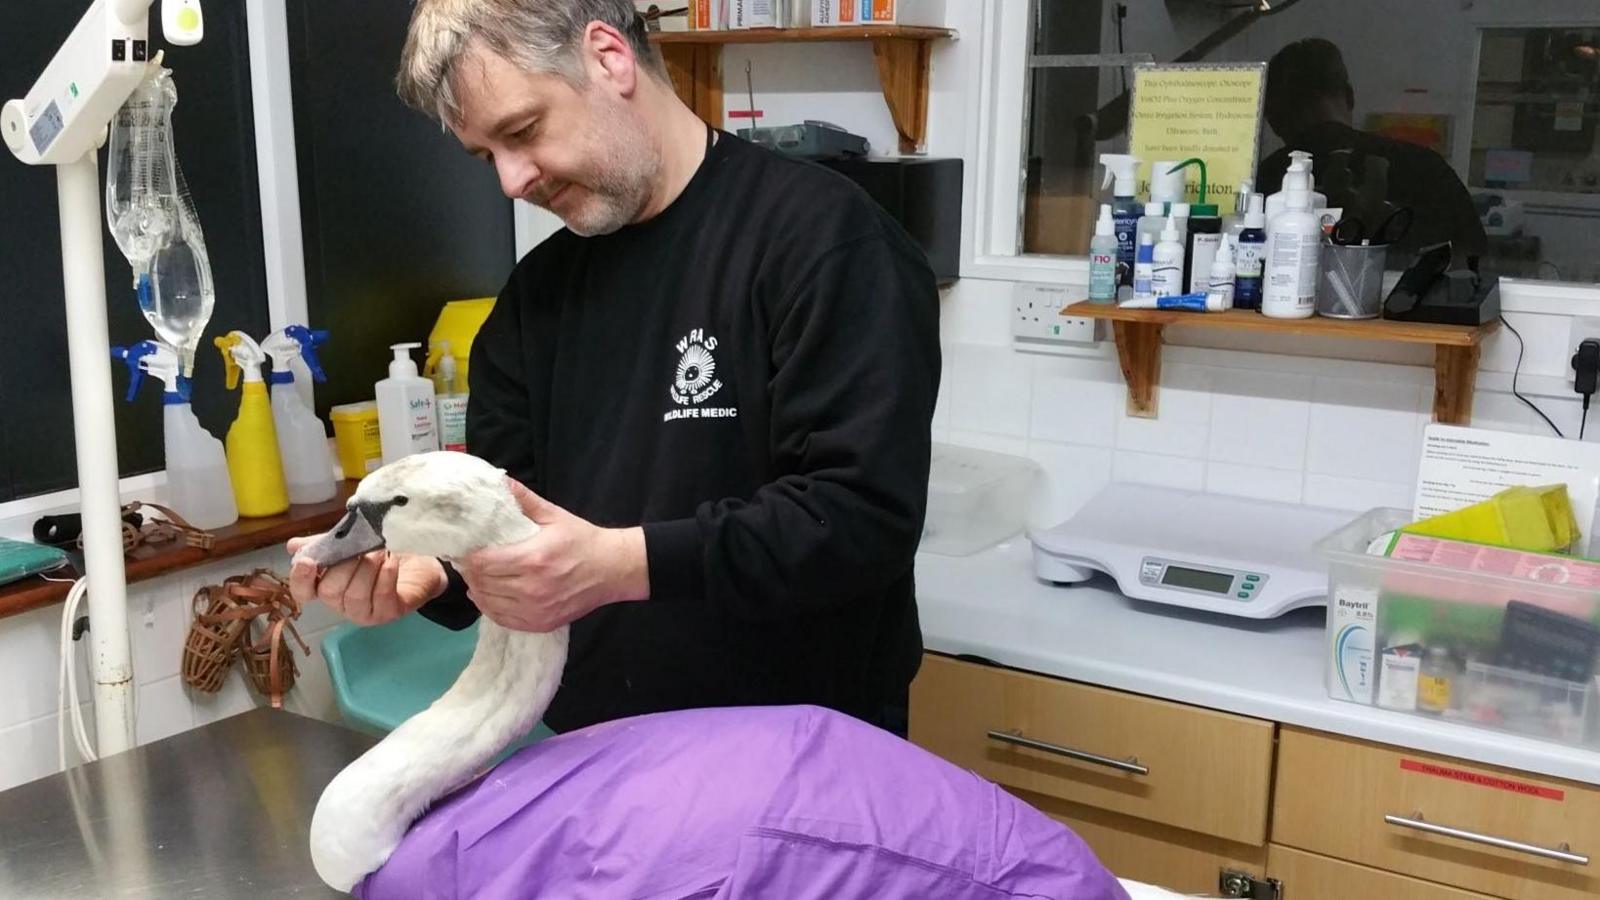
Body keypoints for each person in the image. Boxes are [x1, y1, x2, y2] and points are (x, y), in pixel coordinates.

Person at [286, 0, 940, 738]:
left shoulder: (824, 243)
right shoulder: (539, 296)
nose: (510, 180)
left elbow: (856, 521)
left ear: (608, 57)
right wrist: (437, 569)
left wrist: (620, 563)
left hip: (800, 755)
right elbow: (503, 509)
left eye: (522, 131)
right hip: (598, 753)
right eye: (485, 155)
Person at [1256, 38, 1487, 258]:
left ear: (1273, 119)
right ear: (1350, 96)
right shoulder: (1424, 168)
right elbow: (1470, 263)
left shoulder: (1263, 180)